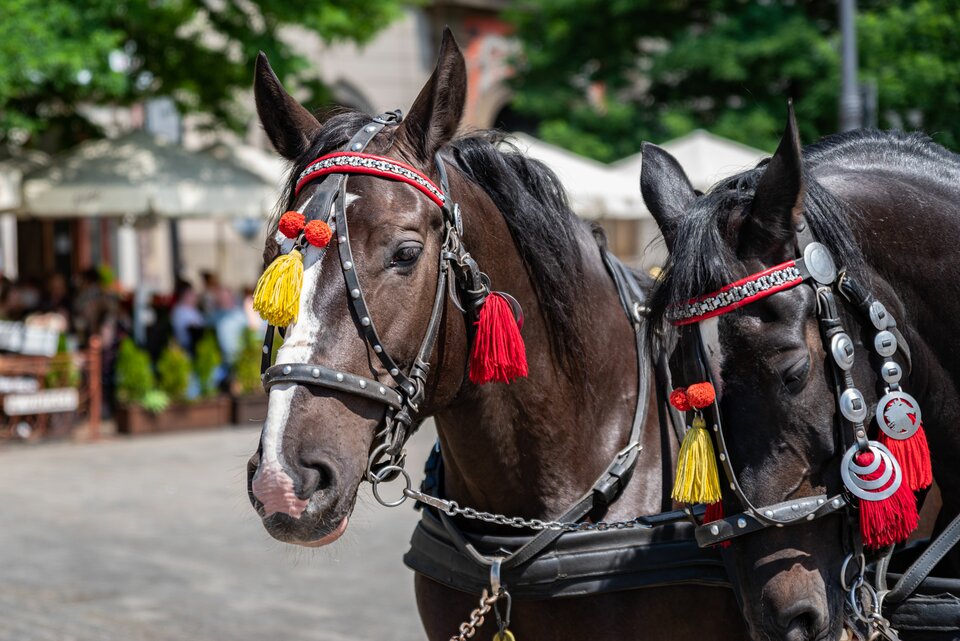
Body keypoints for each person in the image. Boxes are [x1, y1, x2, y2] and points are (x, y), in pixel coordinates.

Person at [170, 283, 204, 351]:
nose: (195, 297)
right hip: (185, 346)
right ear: (185, 296)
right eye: (192, 295)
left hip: (196, 343)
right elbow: (192, 327)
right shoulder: (180, 311)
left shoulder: (194, 309)